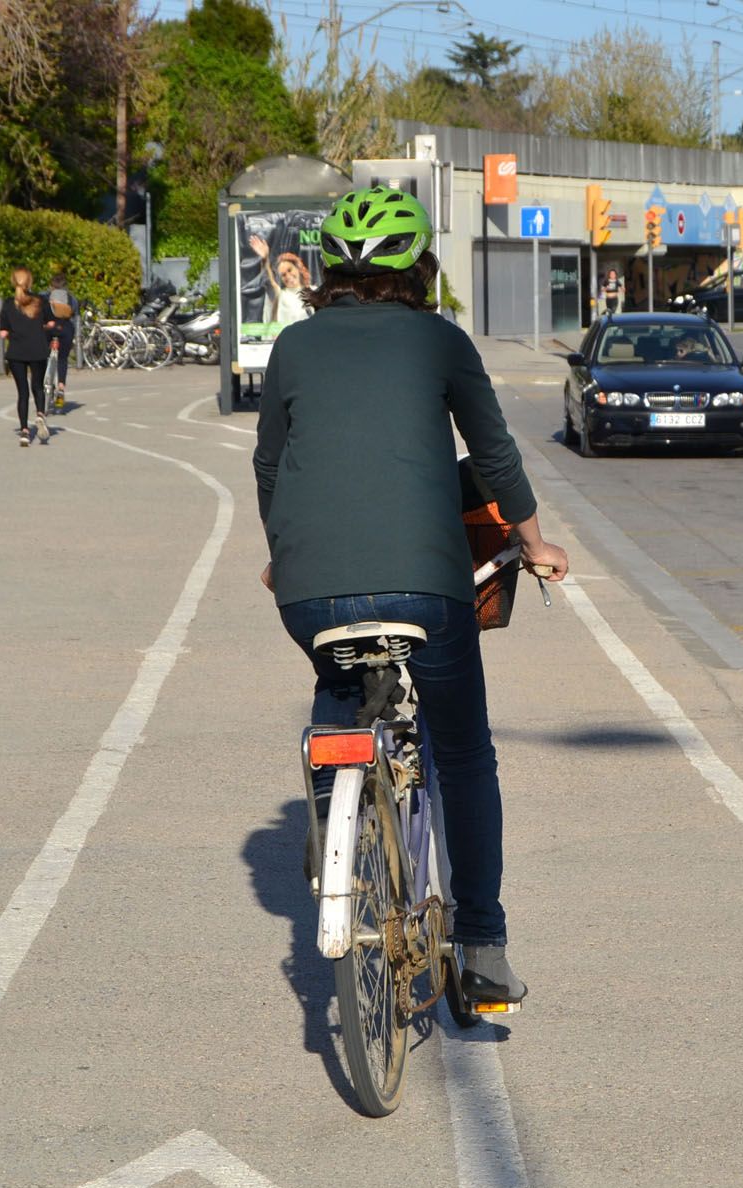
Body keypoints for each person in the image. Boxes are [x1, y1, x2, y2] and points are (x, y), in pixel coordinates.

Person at [252, 186, 569, 1006]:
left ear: (328, 270)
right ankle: (483, 942)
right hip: (429, 586)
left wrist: (284, 556)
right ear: (419, 267)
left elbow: (271, 467)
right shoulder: (440, 341)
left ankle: (333, 810)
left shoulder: (293, 345)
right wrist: (536, 547)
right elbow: (494, 459)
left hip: (311, 591)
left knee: (338, 687)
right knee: (462, 752)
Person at [0, 267, 50, 446]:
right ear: (30, 282)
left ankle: (25, 432)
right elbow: (50, 322)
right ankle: (40, 414)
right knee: (38, 386)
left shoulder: (8, 304)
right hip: (38, 349)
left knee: (22, 392)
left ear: (13, 282)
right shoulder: (41, 301)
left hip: (16, 352)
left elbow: (3, 333)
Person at [248, 234, 313, 327]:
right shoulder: (281, 294)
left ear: (298, 268)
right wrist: (265, 259)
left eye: (289, 270)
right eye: (283, 275)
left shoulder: (314, 290)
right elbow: (269, 282)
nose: (288, 276)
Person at [44, 273, 78, 409]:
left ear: (51, 286)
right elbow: (75, 316)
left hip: (49, 329)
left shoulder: (45, 297)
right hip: (66, 330)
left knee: (43, 354)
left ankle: (45, 379)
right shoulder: (71, 299)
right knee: (62, 359)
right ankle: (61, 388)